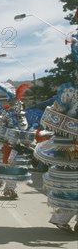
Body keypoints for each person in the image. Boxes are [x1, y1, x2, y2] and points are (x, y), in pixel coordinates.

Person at [34, 83, 78, 233]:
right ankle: (60, 218)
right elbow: (54, 114)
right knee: (73, 190)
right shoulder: (70, 93)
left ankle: (63, 219)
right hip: (70, 148)